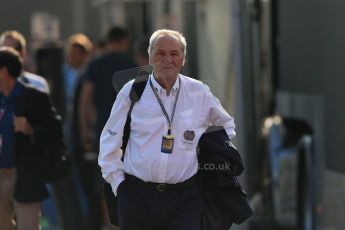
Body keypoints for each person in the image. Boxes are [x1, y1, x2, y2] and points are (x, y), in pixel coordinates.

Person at [98, 29, 236, 230]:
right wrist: (119, 185)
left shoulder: (198, 92)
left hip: (184, 198)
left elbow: (226, 126)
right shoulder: (133, 90)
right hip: (137, 197)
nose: (167, 59)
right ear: (150, 57)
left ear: (183, 59)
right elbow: (109, 140)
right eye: (160, 53)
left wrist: (202, 150)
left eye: (174, 53)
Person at [79, 26, 136, 230]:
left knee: (105, 176)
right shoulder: (129, 64)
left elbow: (86, 100)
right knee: (129, 175)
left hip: (104, 128)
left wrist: (84, 129)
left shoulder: (96, 65)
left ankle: (108, 223)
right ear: (124, 40)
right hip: (129, 130)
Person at [0, 46, 63, 230]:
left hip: (25, 176)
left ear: (3, 72)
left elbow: (55, 131)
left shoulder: (34, 97)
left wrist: (31, 129)